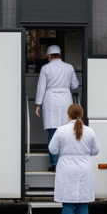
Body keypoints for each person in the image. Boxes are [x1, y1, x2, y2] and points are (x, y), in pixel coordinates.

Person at [49, 104, 100, 214]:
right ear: (81, 114)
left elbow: (53, 149)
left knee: (68, 204)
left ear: (68, 115)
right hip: (84, 168)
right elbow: (95, 151)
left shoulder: (61, 130)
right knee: (83, 205)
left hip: (67, 169)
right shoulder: (89, 131)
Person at [35, 45, 80, 173]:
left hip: (51, 101)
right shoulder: (69, 67)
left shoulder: (45, 68)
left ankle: (55, 164)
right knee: (66, 132)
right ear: (60, 55)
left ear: (49, 56)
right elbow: (75, 85)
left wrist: (38, 105)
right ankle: (65, 163)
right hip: (65, 100)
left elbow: (41, 88)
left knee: (53, 133)